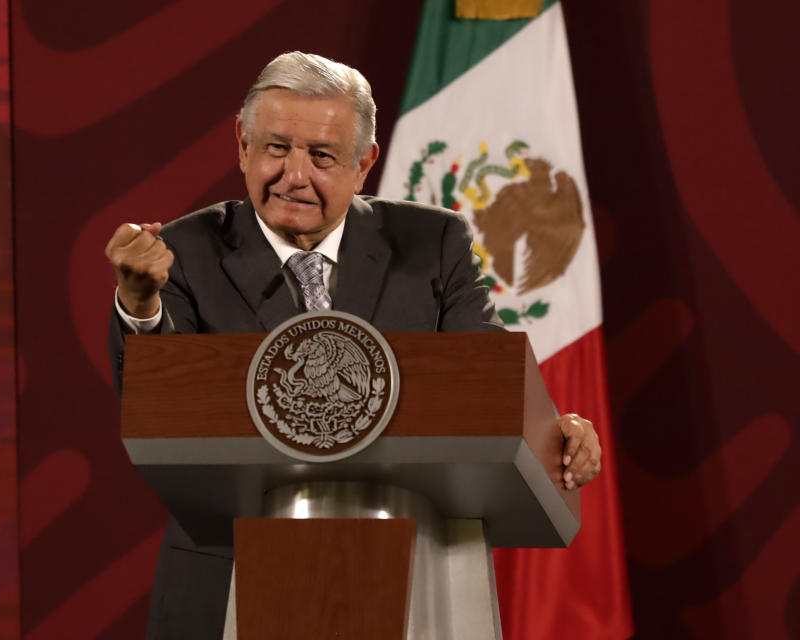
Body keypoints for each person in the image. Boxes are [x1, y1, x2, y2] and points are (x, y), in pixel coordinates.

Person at [105, 51, 602, 639]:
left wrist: (556, 430)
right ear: (242, 144)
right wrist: (140, 305)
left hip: (419, 579)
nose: (294, 175)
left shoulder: (431, 242)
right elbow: (162, 407)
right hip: (228, 584)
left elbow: (488, 384)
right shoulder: (187, 251)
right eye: (275, 148)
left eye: (320, 156)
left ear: (364, 163)